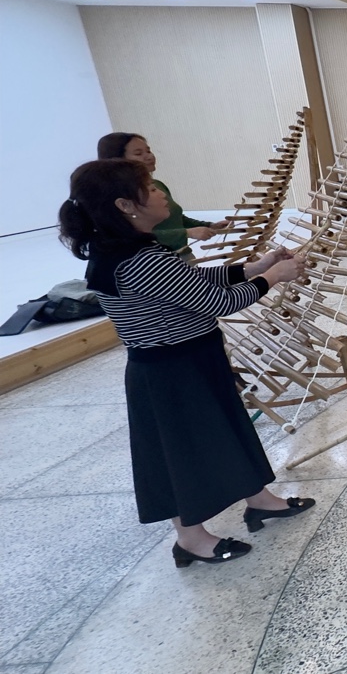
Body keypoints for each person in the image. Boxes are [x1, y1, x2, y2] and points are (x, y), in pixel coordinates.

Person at [59, 158, 314, 568]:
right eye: (149, 187)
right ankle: (191, 539)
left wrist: (257, 267)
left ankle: (260, 500)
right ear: (125, 205)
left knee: (226, 429)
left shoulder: (135, 249)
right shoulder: (137, 260)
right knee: (178, 452)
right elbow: (220, 303)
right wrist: (275, 276)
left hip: (191, 358)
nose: (161, 192)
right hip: (170, 370)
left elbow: (192, 284)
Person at [97, 132, 228, 257]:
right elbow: (131, 234)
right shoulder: (118, 197)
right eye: (138, 153)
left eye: (148, 151)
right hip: (154, 260)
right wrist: (187, 233)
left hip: (181, 256)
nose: (149, 157)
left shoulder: (158, 185)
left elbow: (176, 218)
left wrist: (209, 225)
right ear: (117, 160)